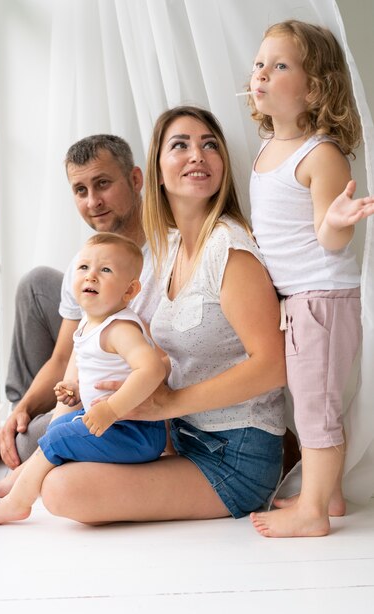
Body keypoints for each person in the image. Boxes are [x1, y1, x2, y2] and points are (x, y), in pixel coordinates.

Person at [28, 105, 286, 526]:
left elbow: (274, 365)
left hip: (236, 457)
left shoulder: (230, 249)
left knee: (61, 490)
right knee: (60, 452)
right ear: (157, 174)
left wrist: (166, 403)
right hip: (181, 439)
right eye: (180, 145)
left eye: (209, 146)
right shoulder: (170, 254)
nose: (197, 155)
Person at [247, 20, 374, 538]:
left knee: (317, 405)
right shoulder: (266, 152)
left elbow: (327, 237)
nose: (261, 74)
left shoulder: (320, 153)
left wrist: (338, 223)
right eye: (259, 64)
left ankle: (313, 512)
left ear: (314, 87)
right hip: (298, 300)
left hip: (320, 298)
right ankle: (331, 495)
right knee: (312, 400)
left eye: (279, 66)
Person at [0, 134, 158, 469]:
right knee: (36, 283)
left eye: (103, 184)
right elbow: (63, 355)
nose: (93, 201)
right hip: (82, 382)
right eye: (81, 190)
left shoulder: (165, 252)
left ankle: (22, 434)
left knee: (27, 447)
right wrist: (24, 408)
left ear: (135, 179)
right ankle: (16, 417)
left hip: (127, 408)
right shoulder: (84, 265)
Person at [0, 233, 167, 524]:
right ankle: (18, 480)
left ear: (129, 291)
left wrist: (113, 408)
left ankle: (19, 501)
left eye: (105, 270)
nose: (91, 275)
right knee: (60, 425)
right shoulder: (91, 324)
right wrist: (78, 390)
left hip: (137, 434)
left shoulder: (120, 329)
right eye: (83, 268)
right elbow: (109, 372)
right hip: (114, 424)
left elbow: (151, 369)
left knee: (60, 436)